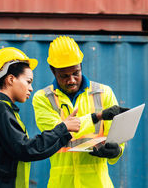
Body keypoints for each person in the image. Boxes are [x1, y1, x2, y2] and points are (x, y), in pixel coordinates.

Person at [0, 47, 81, 188]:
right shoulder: (1, 109)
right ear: (10, 79)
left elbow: (29, 151)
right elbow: (26, 149)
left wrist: (64, 135)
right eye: (28, 81)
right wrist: (62, 128)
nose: (31, 88)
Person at [32, 36, 129, 188]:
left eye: (76, 73)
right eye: (64, 76)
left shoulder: (104, 92)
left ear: (81, 66)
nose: (71, 80)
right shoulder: (43, 99)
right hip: (62, 184)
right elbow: (58, 132)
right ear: (53, 70)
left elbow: (117, 136)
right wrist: (97, 117)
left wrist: (116, 151)